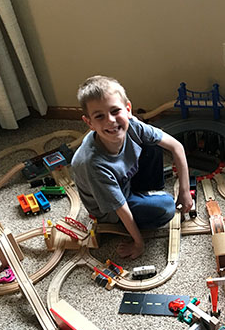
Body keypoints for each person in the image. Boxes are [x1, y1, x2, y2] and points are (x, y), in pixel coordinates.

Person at [71, 75, 192, 259]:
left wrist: (185, 190)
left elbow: (176, 146)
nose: (110, 121)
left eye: (115, 111)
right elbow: (120, 208)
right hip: (111, 210)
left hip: (126, 182)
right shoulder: (92, 164)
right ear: (89, 123)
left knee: (153, 145)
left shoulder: (132, 125)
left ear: (128, 109)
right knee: (166, 207)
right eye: (99, 116)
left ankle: (148, 194)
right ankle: (146, 201)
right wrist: (138, 243)